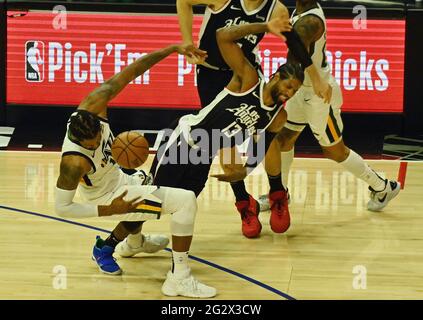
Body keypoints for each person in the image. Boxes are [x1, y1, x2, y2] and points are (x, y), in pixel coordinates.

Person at [54, 44, 217, 298]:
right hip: (103, 196)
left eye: (99, 137)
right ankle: (179, 278)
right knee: (184, 200)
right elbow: (62, 208)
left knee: (151, 192)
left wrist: (172, 49)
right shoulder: (73, 163)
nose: (98, 143)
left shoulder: (95, 102)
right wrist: (111, 208)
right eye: (92, 145)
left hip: (120, 177)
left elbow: (131, 71)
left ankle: (132, 243)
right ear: (78, 142)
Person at [255, 0, 401, 232]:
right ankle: (279, 193)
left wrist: (272, 85)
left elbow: (295, 61)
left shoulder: (309, 22)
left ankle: (383, 186)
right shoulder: (301, 9)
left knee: (334, 150)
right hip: (299, 88)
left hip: (318, 95)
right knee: (282, 140)